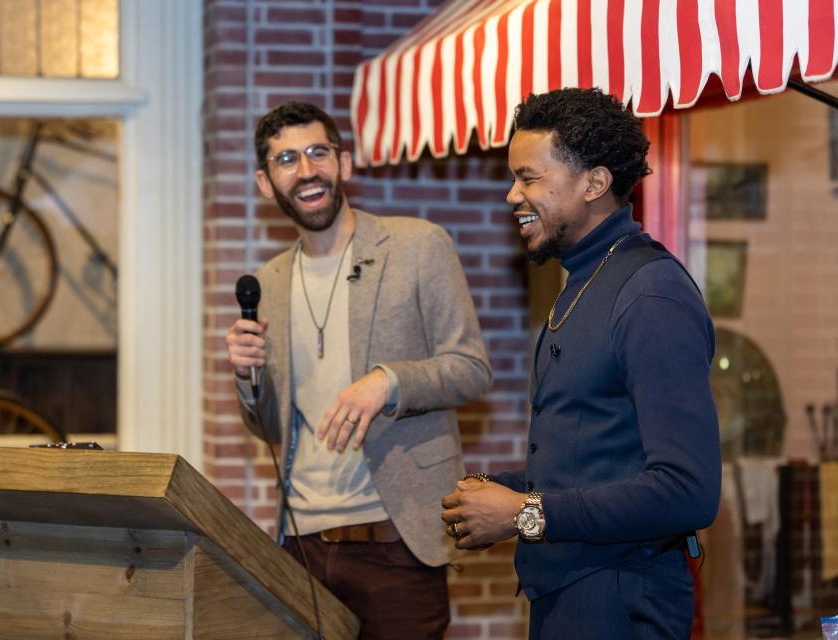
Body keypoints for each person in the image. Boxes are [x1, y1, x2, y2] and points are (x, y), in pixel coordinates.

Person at [440, 87, 721, 639]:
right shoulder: (588, 281)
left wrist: (522, 512)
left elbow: (688, 490)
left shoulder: (650, 296)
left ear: (594, 183)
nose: (511, 196)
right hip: (572, 594)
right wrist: (495, 490)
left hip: (621, 599)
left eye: (529, 178)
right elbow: (594, 460)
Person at [226, 101, 492, 638]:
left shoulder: (418, 246)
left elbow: (471, 369)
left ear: (343, 164)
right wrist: (245, 374)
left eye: (318, 152)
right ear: (264, 181)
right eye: (286, 159)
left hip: (396, 543)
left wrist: (386, 382)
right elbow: (269, 427)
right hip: (300, 547)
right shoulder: (270, 280)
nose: (305, 170)